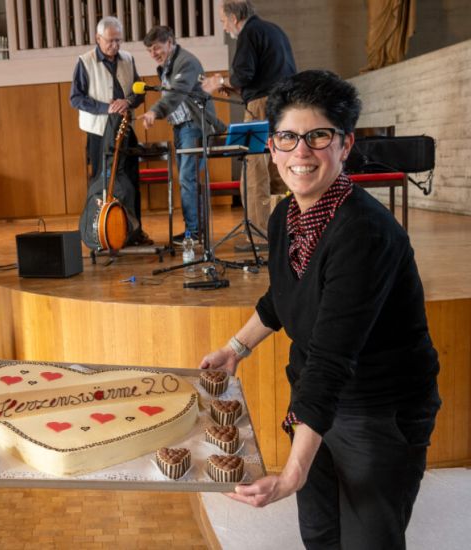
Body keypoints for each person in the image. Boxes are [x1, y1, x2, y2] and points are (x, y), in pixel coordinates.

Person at [199, 70, 440, 549]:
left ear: (345, 144)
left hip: (377, 410)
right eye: (288, 137)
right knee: (320, 534)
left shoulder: (363, 232)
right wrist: (235, 349)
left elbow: (332, 357)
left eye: (318, 136)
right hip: (314, 401)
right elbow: (283, 297)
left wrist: (292, 474)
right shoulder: (286, 215)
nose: (301, 152)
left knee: (369, 541)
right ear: (272, 147)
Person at [201, 0, 296, 250]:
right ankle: (286, 230)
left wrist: (219, 81)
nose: (224, 27)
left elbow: (244, 75)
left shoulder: (248, 33)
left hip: (261, 108)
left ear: (234, 18)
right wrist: (234, 87)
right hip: (286, 107)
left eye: (223, 21)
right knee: (280, 169)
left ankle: (260, 235)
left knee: (254, 171)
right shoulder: (274, 30)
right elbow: (270, 75)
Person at [139, 26, 225, 245]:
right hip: (180, 127)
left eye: (156, 48)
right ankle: (195, 231)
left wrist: (154, 111)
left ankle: (194, 234)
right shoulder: (167, 65)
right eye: (149, 50)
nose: (153, 54)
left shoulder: (186, 62)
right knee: (188, 179)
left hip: (193, 126)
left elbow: (176, 94)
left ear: (170, 42)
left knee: (188, 178)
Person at [70, 16, 151, 246]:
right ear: (98, 38)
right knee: (101, 181)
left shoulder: (128, 59)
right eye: (110, 41)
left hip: (126, 129)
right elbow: (76, 98)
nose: (115, 45)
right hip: (98, 132)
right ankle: (102, 232)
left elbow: (140, 92)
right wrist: (106, 108)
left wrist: (128, 101)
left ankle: (134, 232)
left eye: (118, 40)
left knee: (131, 181)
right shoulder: (84, 62)